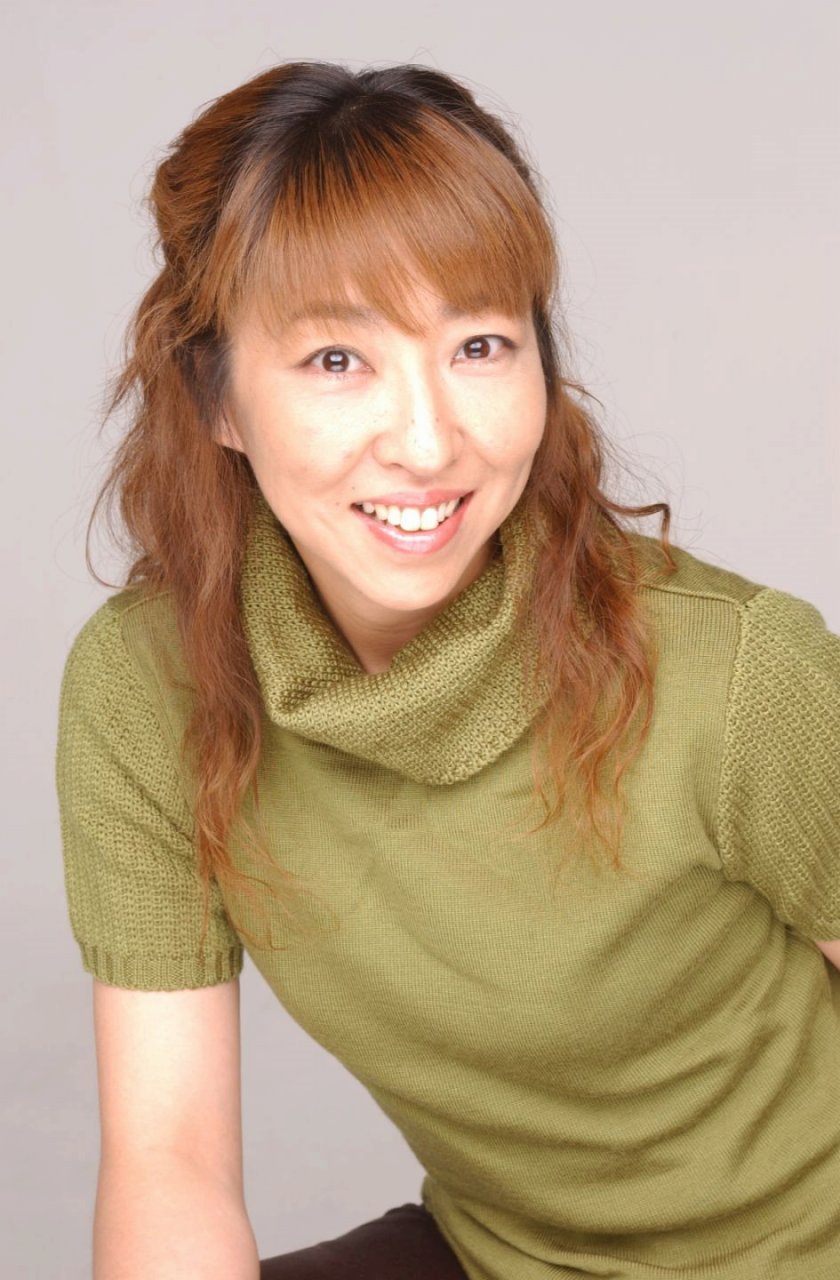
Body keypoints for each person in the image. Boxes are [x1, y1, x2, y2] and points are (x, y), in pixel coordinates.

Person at [54, 59, 840, 1280]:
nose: (428, 442)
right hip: (503, 1255)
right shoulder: (149, 690)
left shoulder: (741, 674)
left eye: (479, 344)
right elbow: (171, 1161)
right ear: (216, 398)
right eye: (336, 360)